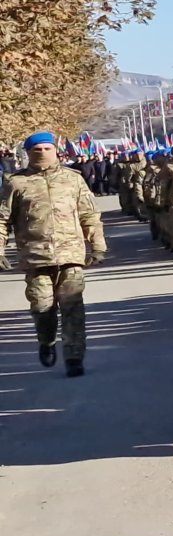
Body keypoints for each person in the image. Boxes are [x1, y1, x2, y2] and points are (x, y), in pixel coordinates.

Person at [1, 132, 108, 376]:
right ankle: (46, 340)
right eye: (37, 149)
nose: (43, 153)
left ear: (55, 150)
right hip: (35, 256)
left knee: (72, 307)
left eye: (47, 148)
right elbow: (2, 219)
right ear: (28, 152)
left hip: (70, 254)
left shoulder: (72, 180)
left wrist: (98, 246)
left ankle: (73, 356)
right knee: (42, 306)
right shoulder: (15, 183)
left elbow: (89, 215)